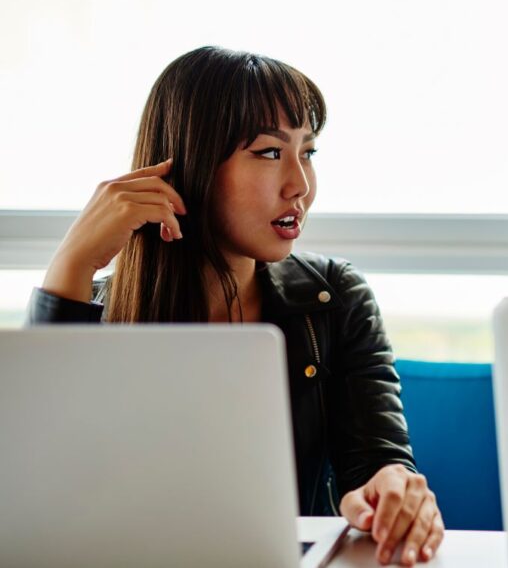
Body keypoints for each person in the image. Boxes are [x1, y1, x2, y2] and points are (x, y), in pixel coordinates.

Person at [28, 46, 443, 565]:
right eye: (271, 153)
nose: (301, 185)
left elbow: (378, 462)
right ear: (194, 164)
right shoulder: (93, 311)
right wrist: (71, 264)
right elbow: (35, 495)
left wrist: (393, 490)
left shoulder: (334, 298)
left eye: (308, 152)